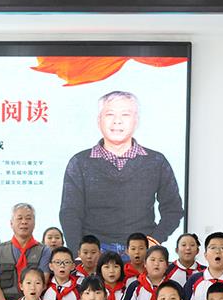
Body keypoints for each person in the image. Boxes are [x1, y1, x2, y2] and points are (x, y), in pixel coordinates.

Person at [59, 90, 183, 252]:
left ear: (136, 121)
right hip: (94, 253)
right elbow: (70, 213)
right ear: (99, 121)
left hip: (140, 252)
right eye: (110, 114)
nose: (117, 121)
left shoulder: (156, 161)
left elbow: (173, 210)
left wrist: (154, 240)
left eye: (125, 115)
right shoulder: (79, 162)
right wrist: (78, 254)